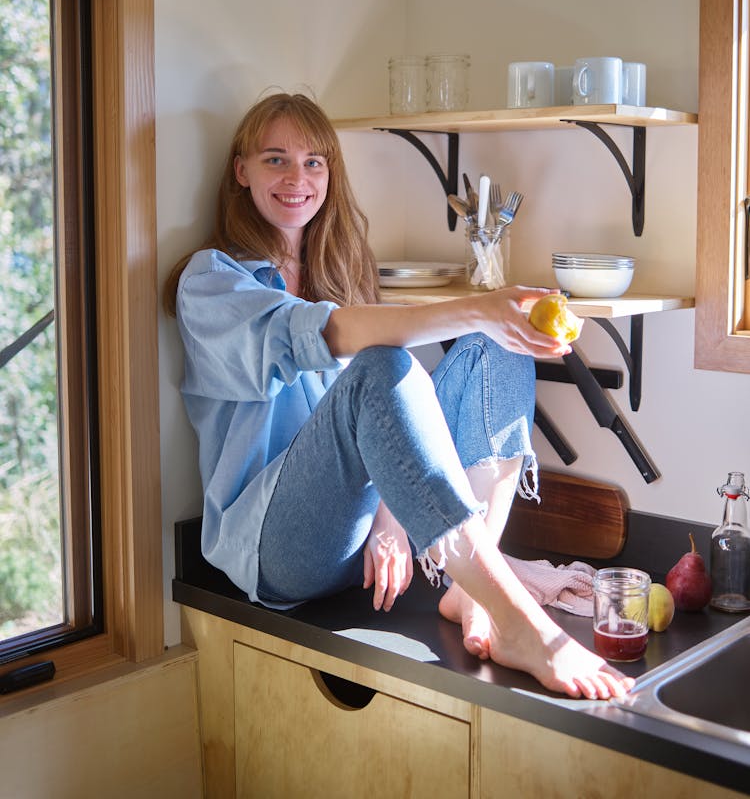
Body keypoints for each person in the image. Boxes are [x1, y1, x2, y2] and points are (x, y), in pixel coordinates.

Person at [164, 91, 634, 701]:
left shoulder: (340, 274)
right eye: (275, 159)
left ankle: (472, 584)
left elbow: (382, 428)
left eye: (314, 162)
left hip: (371, 537)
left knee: (494, 345)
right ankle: (522, 622)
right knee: (392, 359)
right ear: (241, 170)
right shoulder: (211, 282)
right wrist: (480, 306)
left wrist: (390, 518)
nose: (296, 178)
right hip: (280, 550)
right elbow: (337, 345)